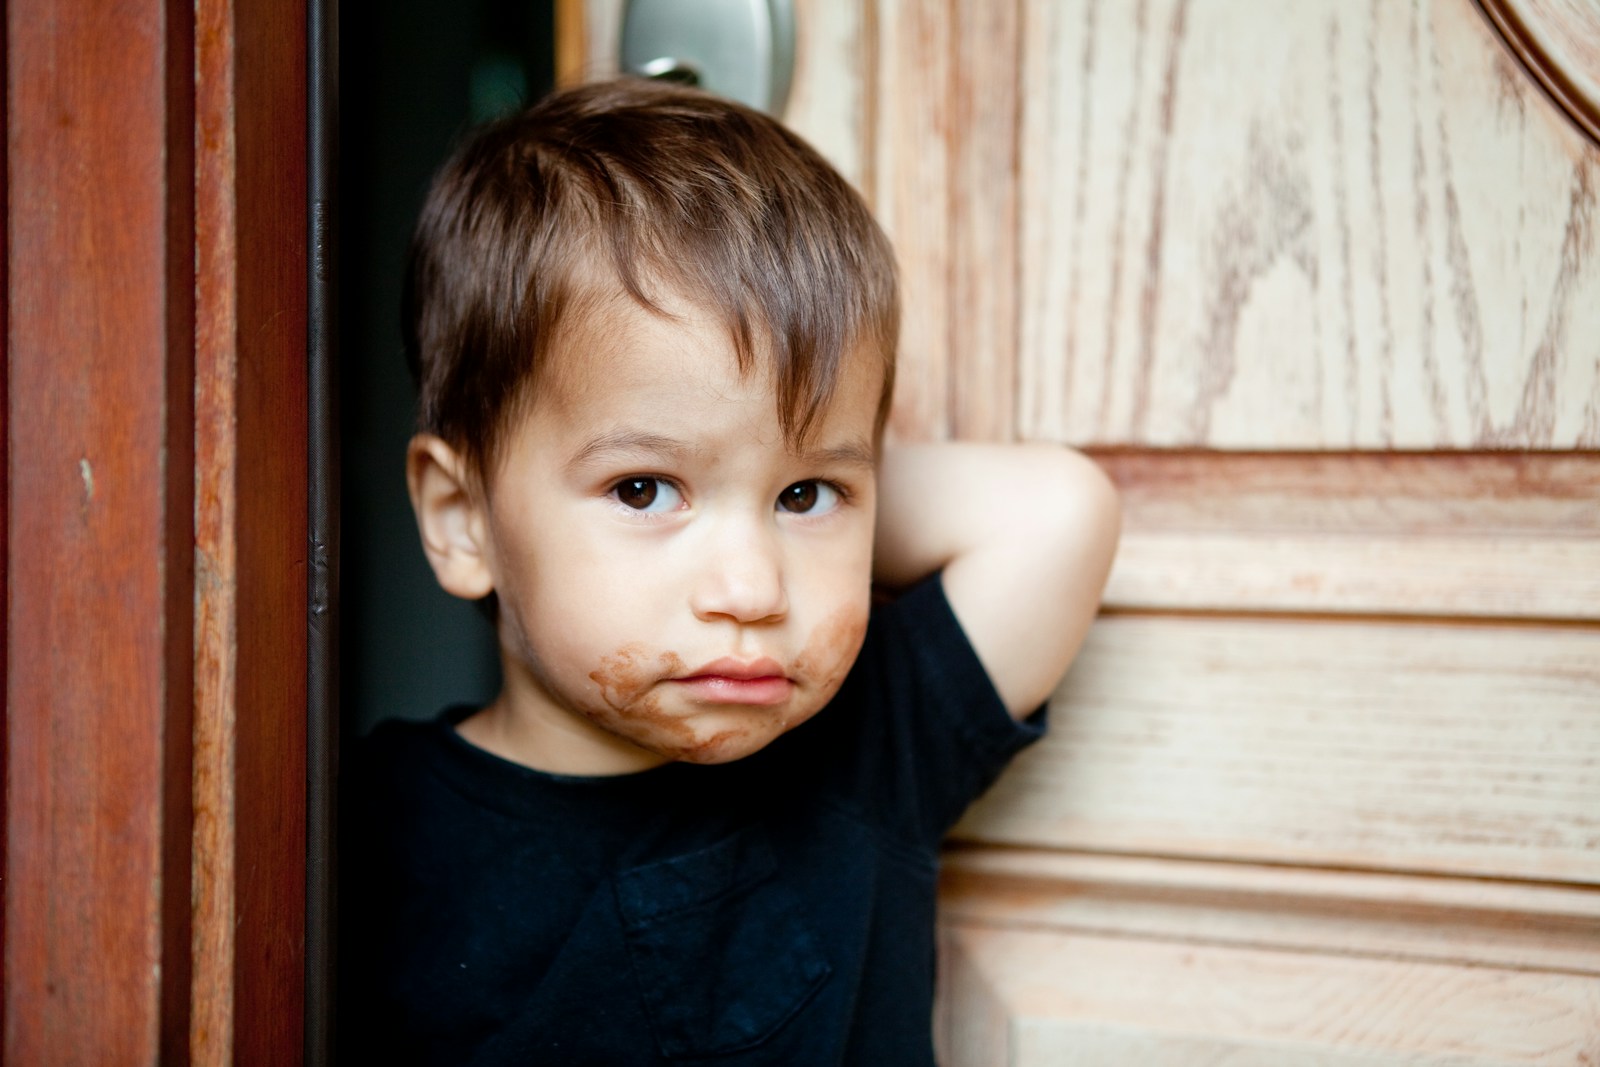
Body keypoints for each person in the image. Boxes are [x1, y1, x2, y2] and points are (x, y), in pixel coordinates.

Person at [339, 77, 1120, 1065]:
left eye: (803, 500)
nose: (751, 592)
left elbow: (1057, 510)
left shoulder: (868, 749)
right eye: (643, 489)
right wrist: (786, 472)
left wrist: (827, 472)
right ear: (461, 519)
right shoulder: (356, 827)